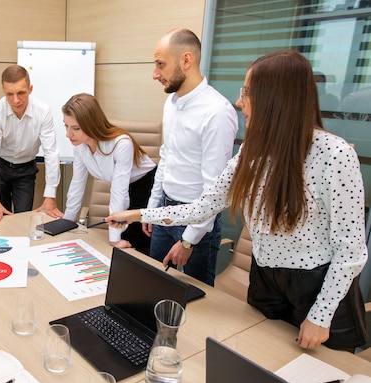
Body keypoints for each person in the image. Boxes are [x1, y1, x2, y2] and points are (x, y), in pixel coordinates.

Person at [107, 50, 368, 352]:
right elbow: (202, 207)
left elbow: (351, 250)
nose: (240, 101)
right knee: (262, 362)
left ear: (275, 98)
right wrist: (138, 215)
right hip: (264, 280)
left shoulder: (335, 155)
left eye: (247, 92)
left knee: (320, 380)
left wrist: (321, 316)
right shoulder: (251, 153)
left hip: (317, 287)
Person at [145, 28, 238, 286]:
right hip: (165, 210)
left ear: (186, 60)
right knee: (155, 285)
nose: (155, 74)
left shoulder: (217, 112)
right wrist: (154, 206)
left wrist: (189, 239)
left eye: (161, 65)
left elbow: (216, 190)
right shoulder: (171, 103)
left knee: (194, 300)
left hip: (197, 222)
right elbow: (167, 156)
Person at [61, 93, 156, 249]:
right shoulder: (79, 146)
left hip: (146, 189)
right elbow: (77, 184)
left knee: (134, 247)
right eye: (66, 125)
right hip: (125, 190)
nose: (68, 134)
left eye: (75, 128)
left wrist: (114, 238)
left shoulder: (121, 144)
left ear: (91, 123)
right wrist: (67, 222)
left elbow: (119, 192)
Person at [0, 64, 62, 222]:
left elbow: (51, 153)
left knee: (23, 219)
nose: (16, 100)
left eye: (21, 93)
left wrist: (50, 196)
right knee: (0, 221)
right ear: (3, 91)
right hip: (1, 168)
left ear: (30, 89)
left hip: (26, 170)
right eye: (9, 94)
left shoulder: (43, 111)